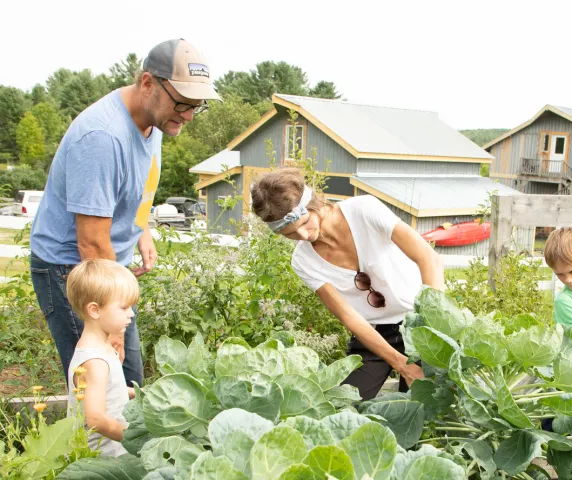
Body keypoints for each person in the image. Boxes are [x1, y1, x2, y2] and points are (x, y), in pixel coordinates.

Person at [29, 38, 221, 388]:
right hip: (72, 268)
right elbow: (90, 242)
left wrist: (141, 229)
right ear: (148, 83)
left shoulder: (156, 118)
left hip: (107, 267)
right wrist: (109, 330)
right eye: (182, 103)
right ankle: (86, 442)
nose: (189, 115)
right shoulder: (102, 137)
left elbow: (136, 185)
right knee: (102, 382)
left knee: (126, 379)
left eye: (198, 105)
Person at [251, 168, 445, 400]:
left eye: (304, 223)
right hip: (374, 335)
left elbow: (428, 258)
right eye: (289, 234)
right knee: (348, 402)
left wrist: (433, 327)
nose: (302, 235)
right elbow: (350, 317)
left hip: (420, 322)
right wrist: (403, 365)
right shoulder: (303, 261)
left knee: (422, 406)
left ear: (313, 204)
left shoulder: (364, 210)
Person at [65, 259, 140, 457]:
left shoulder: (101, 347)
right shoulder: (95, 362)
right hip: (100, 458)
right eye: (124, 308)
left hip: (111, 454)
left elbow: (107, 390)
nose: (131, 314)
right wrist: (135, 439)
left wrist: (136, 392)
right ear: (95, 310)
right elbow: (96, 419)